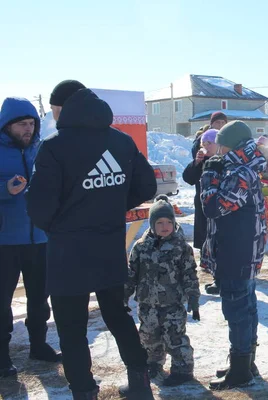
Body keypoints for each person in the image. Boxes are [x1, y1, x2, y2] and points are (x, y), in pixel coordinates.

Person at [27, 80, 157, 399]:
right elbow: (146, 188)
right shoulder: (121, 141)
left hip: (67, 253)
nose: (52, 115)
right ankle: (140, 383)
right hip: (108, 246)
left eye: (54, 108)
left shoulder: (54, 146)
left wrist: (64, 223)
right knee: (117, 314)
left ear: (64, 106)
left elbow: (39, 208)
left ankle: (84, 391)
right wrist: (110, 208)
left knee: (72, 329)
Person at [199, 121, 267, 390]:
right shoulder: (243, 168)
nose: (218, 151)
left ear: (231, 146)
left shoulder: (239, 172)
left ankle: (241, 370)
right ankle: (245, 362)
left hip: (235, 253)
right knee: (246, 308)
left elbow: (214, 208)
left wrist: (209, 176)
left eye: (221, 146)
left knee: (238, 311)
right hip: (241, 250)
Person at [0, 97, 62, 378]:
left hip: (39, 238)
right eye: (22, 124)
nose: (28, 129)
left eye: (31, 124)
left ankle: (38, 345)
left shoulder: (40, 149)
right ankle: (2, 355)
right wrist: (5, 190)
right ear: (7, 126)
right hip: (5, 241)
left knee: (39, 297)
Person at [125, 195, 200, 386]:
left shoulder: (181, 247)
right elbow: (131, 274)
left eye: (169, 222)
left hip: (172, 304)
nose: (165, 226)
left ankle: (183, 370)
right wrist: (124, 296)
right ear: (151, 224)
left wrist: (193, 296)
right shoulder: (141, 248)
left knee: (175, 337)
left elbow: (189, 273)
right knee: (149, 338)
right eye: (159, 222)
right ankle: (153, 364)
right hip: (147, 304)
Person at [183, 129, 219, 292]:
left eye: (209, 143)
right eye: (203, 144)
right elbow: (188, 178)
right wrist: (196, 163)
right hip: (202, 205)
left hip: (218, 207)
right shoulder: (202, 160)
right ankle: (209, 266)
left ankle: (219, 275)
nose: (205, 147)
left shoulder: (223, 161)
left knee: (217, 240)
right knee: (205, 237)